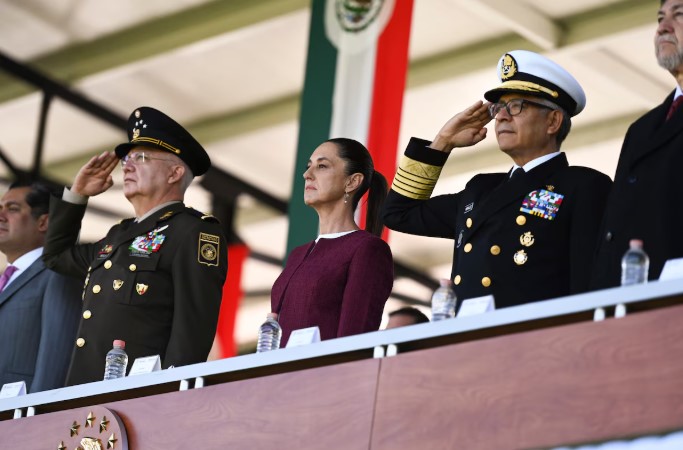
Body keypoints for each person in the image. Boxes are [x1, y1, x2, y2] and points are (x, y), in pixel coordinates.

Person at [383, 50, 612, 311]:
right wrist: (442, 142)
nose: (501, 116)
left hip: (534, 338)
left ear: (553, 121)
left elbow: (588, 282)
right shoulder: (480, 189)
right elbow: (398, 214)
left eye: (517, 106)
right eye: (498, 107)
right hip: (466, 340)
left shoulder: (583, 186)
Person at [43, 106, 228, 386]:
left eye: (141, 157)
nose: (127, 165)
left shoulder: (194, 231)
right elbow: (56, 256)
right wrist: (77, 195)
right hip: (84, 396)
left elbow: (192, 330)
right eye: (126, 159)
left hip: (138, 400)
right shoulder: (118, 235)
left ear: (175, 173)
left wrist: (168, 396)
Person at [592, 0, 683, 288]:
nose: (663, 28)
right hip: (630, 299)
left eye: (679, 15)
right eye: (660, 18)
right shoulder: (641, 129)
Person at [271, 138, 393, 347]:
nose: (307, 174)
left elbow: (355, 338)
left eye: (322, 166)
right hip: (280, 376)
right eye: (309, 166)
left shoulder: (367, 249)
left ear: (352, 182)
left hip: (323, 376)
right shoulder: (298, 254)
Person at [0, 181, 81, 393]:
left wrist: (37, 416)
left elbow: (56, 356)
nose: (1, 215)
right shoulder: (6, 279)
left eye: (13, 209)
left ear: (44, 222)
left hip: (19, 416)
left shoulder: (57, 273)